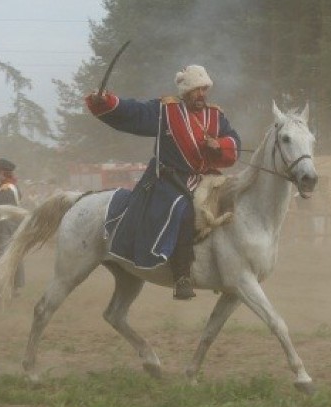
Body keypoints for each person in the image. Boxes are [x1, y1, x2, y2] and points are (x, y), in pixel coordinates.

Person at [85, 64, 241, 300]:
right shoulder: (165, 111)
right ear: (186, 91)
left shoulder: (215, 115)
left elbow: (233, 140)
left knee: (232, 206)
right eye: (197, 89)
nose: (202, 94)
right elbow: (133, 112)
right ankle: (182, 276)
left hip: (205, 178)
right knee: (185, 211)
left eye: (204, 89)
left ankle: (228, 270)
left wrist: (220, 146)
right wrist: (106, 101)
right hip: (168, 180)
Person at [0, 158, 24, 291]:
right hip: (14, 224)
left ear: (2, 172)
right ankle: (16, 285)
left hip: (5, 225)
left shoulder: (6, 189)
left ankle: (5, 286)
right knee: (14, 255)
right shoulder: (14, 187)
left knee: (4, 255)